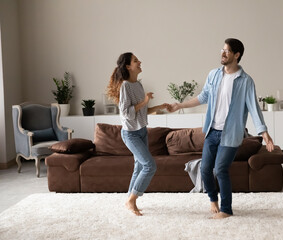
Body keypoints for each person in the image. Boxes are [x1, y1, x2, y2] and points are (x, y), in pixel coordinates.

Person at [168, 38, 274, 219]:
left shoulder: (245, 81)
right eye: (222, 50)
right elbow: (202, 97)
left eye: (226, 51)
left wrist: (265, 134)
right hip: (212, 131)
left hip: (230, 134)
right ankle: (212, 199)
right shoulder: (214, 75)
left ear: (237, 55)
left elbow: (254, 108)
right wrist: (180, 106)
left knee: (221, 169)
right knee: (205, 169)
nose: (222, 53)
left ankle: (226, 210)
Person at [107, 52, 169, 216]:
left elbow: (142, 111)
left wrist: (159, 107)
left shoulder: (138, 85)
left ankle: (129, 200)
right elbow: (126, 113)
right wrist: (145, 101)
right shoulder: (126, 86)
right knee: (150, 166)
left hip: (141, 130)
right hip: (131, 134)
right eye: (136, 61)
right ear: (128, 66)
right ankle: (132, 200)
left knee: (139, 166)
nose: (139, 62)